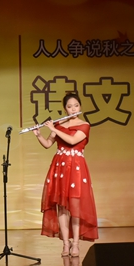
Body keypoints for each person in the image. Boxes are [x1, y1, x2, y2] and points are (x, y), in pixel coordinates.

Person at [33, 93, 98, 257]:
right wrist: (39, 135)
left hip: (76, 168)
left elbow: (72, 141)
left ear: (80, 106)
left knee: (75, 205)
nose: (73, 109)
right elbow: (48, 144)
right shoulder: (59, 124)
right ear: (65, 108)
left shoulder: (84, 125)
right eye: (69, 107)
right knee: (61, 206)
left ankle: (75, 243)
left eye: (76, 105)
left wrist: (54, 128)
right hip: (60, 167)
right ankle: (65, 243)